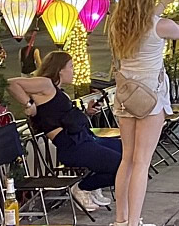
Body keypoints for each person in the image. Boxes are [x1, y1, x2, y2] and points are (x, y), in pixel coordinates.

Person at [108, 0, 179, 226]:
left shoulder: (116, 24)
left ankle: (121, 222)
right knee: (143, 162)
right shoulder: (159, 25)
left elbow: (144, 17)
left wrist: (166, 2)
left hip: (125, 97)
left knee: (127, 159)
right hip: (151, 99)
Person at [8, 51, 122, 213]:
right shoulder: (46, 84)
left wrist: (87, 112)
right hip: (72, 146)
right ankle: (83, 187)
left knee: (128, 153)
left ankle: (93, 184)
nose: (74, 70)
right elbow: (11, 83)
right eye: (71, 66)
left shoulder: (57, 90)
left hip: (84, 137)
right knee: (121, 166)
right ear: (60, 69)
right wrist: (28, 104)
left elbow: (63, 117)